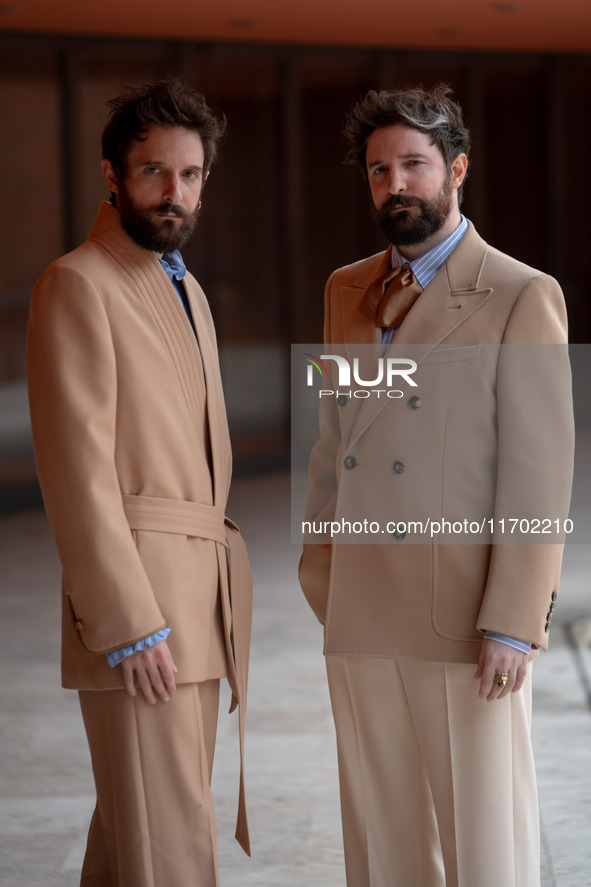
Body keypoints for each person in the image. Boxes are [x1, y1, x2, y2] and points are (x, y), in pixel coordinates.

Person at [299, 84, 574, 887]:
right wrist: (321, 566)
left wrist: (514, 622)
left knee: (486, 846)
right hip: (357, 608)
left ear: (456, 170)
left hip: (465, 621)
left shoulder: (522, 294)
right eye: (379, 170)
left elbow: (538, 473)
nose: (395, 185)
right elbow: (330, 443)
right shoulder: (344, 288)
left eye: (414, 165)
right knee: (380, 846)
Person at [27, 78, 252, 887]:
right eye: (155, 171)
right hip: (143, 614)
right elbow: (74, 468)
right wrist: (127, 622)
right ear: (112, 175)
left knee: (137, 839)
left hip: (199, 598)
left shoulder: (183, 287)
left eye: (190, 175)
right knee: (167, 844)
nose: (175, 192)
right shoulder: (77, 283)